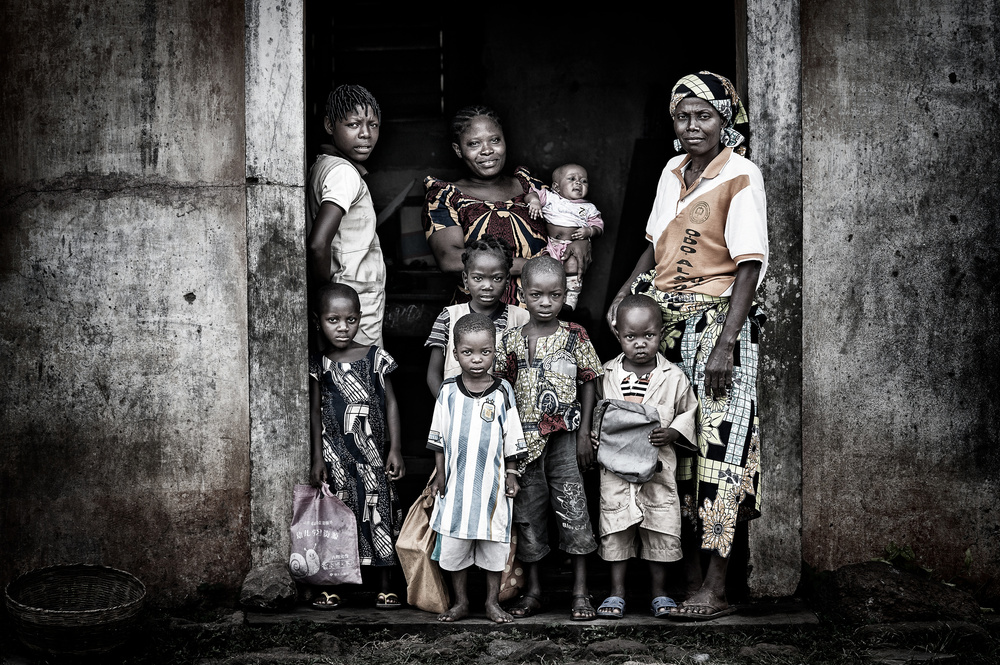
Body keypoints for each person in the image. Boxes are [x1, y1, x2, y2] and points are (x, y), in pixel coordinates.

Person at [605, 71, 768, 621]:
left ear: (726, 120)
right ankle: (687, 581)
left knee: (721, 450)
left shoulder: (742, 174)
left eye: (705, 115)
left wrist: (725, 345)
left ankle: (717, 587)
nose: (693, 125)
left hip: (722, 326)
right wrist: (627, 291)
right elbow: (654, 243)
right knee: (670, 447)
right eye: (683, 116)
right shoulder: (672, 170)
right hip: (668, 323)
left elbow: (749, 265)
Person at [493, 256, 603, 621]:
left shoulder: (575, 335)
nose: (545, 302)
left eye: (554, 295)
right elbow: (500, 391)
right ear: (521, 294)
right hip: (523, 444)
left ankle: (581, 592)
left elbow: (590, 382)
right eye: (536, 295)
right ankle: (535, 591)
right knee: (528, 516)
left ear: (564, 294)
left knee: (574, 510)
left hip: (565, 440)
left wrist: (585, 432)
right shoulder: (509, 339)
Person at [591, 295, 698, 619]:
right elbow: (596, 414)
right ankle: (617, 593)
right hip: (616, 469)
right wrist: (596, 437)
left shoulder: (674, 378)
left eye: (648, 336)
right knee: (616, 526)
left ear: (660, 332)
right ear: (618, 333)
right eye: (630, 337)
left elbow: (688, 411)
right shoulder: (606, 375)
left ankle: (659, 593)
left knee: (659, 527)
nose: (639, 344)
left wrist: (674, 433)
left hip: (657, 470)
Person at [422, 106, 592, 308]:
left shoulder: (533, 188)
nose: (487, 150)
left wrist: (581, 241)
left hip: (541, 315)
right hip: (481, 322)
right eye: (474, 143)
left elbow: (571, 216)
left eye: (495, 140)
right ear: (459, 150)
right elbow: (449, 259)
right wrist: (532, 267)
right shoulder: (445, 197)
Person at [309, 283, 405, 609]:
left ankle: (385, 585)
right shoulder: (320, 364)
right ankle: (334, 586)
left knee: (379, 517)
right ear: (318, 321)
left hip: (373, 457)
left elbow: (392, 403)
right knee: (338, 519)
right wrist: (317, 457)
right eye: (333, 320)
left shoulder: (376, 357)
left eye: (350, 319)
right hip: (336, 458)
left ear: (360, 318)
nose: (342, 327)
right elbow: (315, 410)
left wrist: (395, 449)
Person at [427, 313, 528, 623]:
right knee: (455, 547)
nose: (476, 359)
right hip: (457, 485)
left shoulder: (502, 391)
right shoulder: (447, 391)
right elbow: (439, 438)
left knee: (494, 547)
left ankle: (491, 603)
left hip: (492, 485)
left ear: (494, 351)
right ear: (455, 353)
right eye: (468, 352)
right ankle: (460, 602)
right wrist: (440, 476)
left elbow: (512, 435)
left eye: (485, 352)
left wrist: (511, 473)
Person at [307, 84, 385, 347]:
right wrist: (325, 293)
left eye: (373, 125)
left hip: (342, 299)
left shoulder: (323, 165)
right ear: (330, 125)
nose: (366, 134)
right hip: (351, 298)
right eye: (353, 125)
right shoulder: (343, 173)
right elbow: (318, 244)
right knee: (364, 375)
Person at [424, 235, 531, 397]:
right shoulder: (448, 317)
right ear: (466, 279)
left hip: (506, 414)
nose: (487, 286)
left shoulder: (523, 319)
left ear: (508, 280)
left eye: (497, 278)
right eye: (478, 278)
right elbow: (433, 375)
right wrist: (447, 407)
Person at [524, 163, 604, 311]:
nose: (578, 183)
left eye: (583, 181)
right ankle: (544, 297)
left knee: (573, 266)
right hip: (551, 244)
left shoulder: (588, 208)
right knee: (546, 272)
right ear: (556, 187)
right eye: (572, 179)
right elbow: (531, 194)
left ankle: (572, 296)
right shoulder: (550, 197)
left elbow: (599, 227)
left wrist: (588, 232)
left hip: (571, 247)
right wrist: (534, 202)